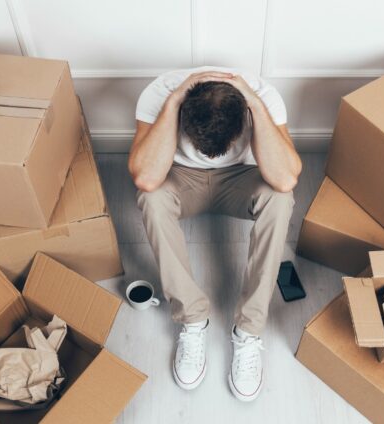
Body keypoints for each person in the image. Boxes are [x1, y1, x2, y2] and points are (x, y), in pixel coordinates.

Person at [129, 67, 301, 401]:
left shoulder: (263, 97)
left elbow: (285, 179)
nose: (211, 156)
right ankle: (193, 320)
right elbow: (147, 177)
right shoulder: (159, 94)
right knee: (151, 196)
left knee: (280, 199)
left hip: (241, 178)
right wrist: (175, 100)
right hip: (182, 179)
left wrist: (253, 103)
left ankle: (248, 330)